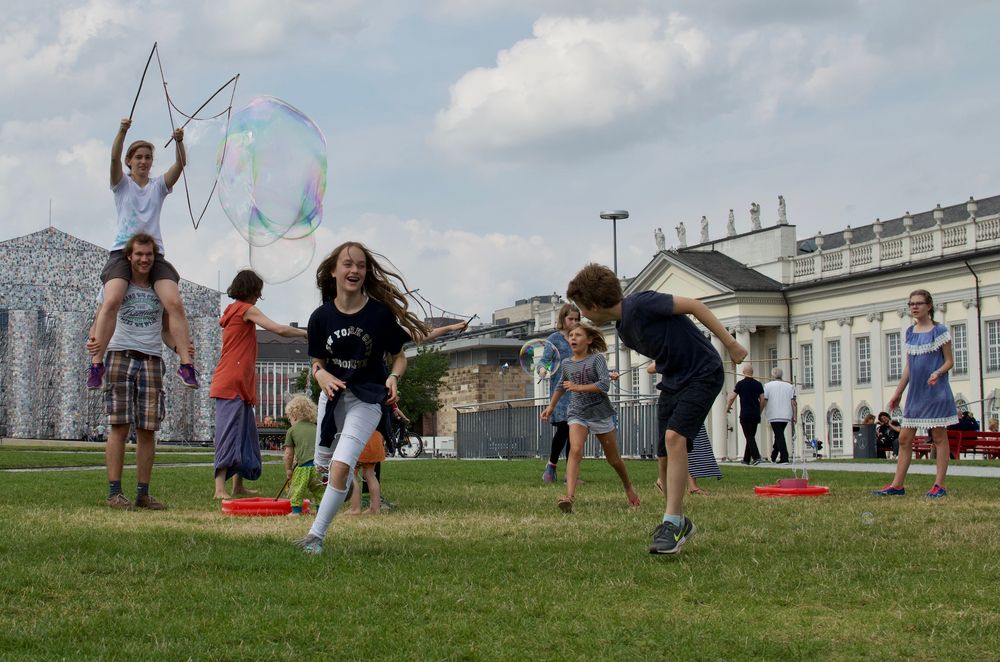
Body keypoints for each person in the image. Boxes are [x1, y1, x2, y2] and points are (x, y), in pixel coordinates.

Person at [566, 263, 746, 555]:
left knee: (675, 438)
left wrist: (731, 344)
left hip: (703, 372)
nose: (582, 315)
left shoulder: (641, 303)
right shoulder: (624, 329)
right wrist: (659, 364)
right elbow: (668, 342)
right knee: (664, 451)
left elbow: (695, 306)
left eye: (581, 308)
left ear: (595, 305)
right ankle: (674, 520)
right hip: (674, 378)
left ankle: (674, 522)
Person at [293, 242, 426, 555]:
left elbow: (399, 357)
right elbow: (317, 363)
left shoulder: (378, 315)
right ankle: (329, 478)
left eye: (361, 265)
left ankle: (315, 537)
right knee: (322, 468)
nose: (354, 270)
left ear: (367, 272)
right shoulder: (320, 317)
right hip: (332, 398)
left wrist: (393, 376)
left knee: (341, 466)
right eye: (348, 264)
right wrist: (319, 374)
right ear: (334, 271)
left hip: (366, 399)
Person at [88, 118, 198, 390]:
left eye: (148, 157)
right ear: (130, 161)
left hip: (153, 252)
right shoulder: (122, 185)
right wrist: (122, 130)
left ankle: (186, 365)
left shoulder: (158, 187)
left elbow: (181, 164)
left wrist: (180, 142)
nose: (144, 161)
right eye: (138, 157)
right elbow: (113, 157)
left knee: (174, 302)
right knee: (112, 299)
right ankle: (96, 363)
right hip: (122, 251)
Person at [97, 233, 185, 510]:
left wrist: (179, 349)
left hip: (151, 359)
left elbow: (166, 330)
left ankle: (143, 494)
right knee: (119, 425)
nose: (144, 259)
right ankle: (115, 492)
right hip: (119, 354)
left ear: (154, 257)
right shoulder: (117, 287)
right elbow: (102, 315)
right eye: (139, 254)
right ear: (129, 257)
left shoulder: (161, 289)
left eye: (149, 255)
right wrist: (95, 350)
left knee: (148, 429)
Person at [210, 270, 307, 499]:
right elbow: (278, 329)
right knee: (228, 434)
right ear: (252, 290)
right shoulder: (245, 309)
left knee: (243, 434)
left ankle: (237, 486)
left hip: (239, 383)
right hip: (231, 383)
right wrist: (306, 334)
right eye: (258, 292)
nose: (259, 297)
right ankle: (219, 489)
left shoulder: (233, 310)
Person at [541, 323, 640, 513]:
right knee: (575, 450)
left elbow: (604, 384)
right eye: (570, 335)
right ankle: (569, 497)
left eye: (578, 335)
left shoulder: (597, 359)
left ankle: (628, 487)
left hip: (600, 412)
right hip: (577, 412)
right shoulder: (566, 363)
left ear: (589, 340)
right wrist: (551, 406)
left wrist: (578, 387)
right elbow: (561, 386)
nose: (573, 338)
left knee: (614, 459)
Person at [873, 289, 957, 498]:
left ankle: (939, 485)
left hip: (936, 392)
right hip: (915, 394)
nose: (914, 307)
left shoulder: (940, 331)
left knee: (938, 437)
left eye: (919, 303)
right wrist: (898, 393)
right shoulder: (910, 332)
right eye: (911, 304)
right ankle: (897, 485)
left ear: (929, 306)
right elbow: (909, 367)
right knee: (904, 438)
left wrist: (938, 372)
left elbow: (949, 360)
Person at [541, 303, 581, 483]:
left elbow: (589, 359)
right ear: (562, 319)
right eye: (570, 319)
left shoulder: (580, 337)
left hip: (578, 390)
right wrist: (542, 370)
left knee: (575, 431)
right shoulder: (554, 339)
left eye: (577, 319)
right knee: (563, 430)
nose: (574, 322)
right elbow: (544, 361)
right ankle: (551, 466)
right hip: (561, 391)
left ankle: (569, 474)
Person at [283, 395, 323, 516]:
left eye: (289, 418)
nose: (290, 421)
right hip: (319, 468)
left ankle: (296, 512)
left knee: (297, 489)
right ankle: (321, 511)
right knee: (319, 490)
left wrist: (289, 469)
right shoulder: (317, 428)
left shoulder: (292, 430)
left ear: (294, 416)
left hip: (303, 468)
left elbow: (288, 454)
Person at [726, 364, 765, 465]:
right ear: (752, 372)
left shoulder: (740, 384)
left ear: (743, 373)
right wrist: (759, 411)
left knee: (749, 436)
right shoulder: (758, 384)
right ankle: (746, 459)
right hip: (755, 415)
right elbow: (762, 400)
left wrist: (727, 407)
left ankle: (756, 457)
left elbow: (732, 397)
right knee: (750, 436)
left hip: (745, 415)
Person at [346, 430, 385, 515]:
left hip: (359, 441)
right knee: (370, 474)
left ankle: (355, 508)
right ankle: (375, 508)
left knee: (351, 475)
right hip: (376, 440)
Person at [763, 367, 796, 464]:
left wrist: (762, 410)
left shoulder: (767, 386)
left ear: (772, 375)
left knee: (779, 435)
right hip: (786, 414)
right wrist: (795, 416)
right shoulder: (789, 386)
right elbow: (793, 402)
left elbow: (765, 400)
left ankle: (784, 457)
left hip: (773, 414)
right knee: (779, 435)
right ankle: (773, 457)